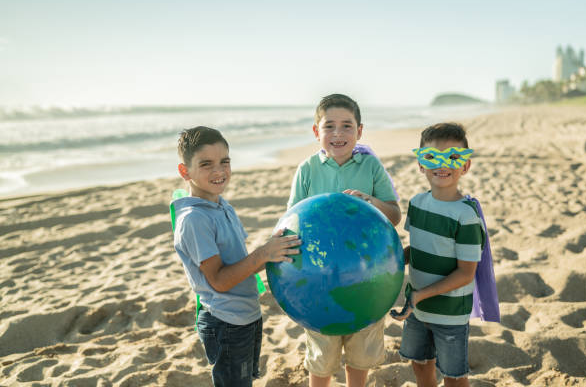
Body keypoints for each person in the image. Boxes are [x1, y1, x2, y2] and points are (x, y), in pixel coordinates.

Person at [172, 126, 301, 386]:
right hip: (225, 322)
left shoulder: (221, 205)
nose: (219, 171)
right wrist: (264, 252)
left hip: (246, 315)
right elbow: (219, 280)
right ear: (185, 171)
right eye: (206, 164)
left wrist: (273, 252)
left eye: (225, 162)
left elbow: (240, 262)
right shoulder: (195, 220)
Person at [288, 93, 402, 387]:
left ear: (360, 131)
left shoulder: (371, 167)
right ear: (316, 132)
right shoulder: (307, 170)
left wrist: (370, 201)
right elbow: (292, 222)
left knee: (360, 355)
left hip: (367, 277)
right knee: (321, 358)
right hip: (319, 279)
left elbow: (394, 215)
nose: (338, 134)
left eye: (347, 126)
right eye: (329, 126)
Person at [390, 122, 484, 387]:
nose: (443, 166)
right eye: (432, 157)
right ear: (421, 164)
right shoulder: (417, 204)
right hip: (418, 308)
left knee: (454, 375)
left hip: (450, 313)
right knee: (419, 362)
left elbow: (466, 273)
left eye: (453, 157)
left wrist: (420, 295)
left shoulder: (466, 216)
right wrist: (393, 260)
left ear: (465, 166)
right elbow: (417, 249)